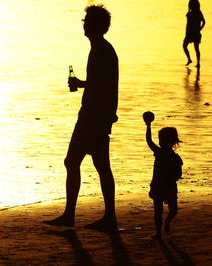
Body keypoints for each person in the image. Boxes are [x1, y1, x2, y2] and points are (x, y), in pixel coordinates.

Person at [43, 4, 119, 232]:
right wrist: (82, 83)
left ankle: (73, 215)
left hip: (92, 118)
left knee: (74, 162)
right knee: (100, 166)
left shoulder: (101, 51)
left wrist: (82, 86)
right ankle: (108, 217)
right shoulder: (100, 49)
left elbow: (103, 86)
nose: (84, 24)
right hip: (97, 116)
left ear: (96, 25)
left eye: (87, 21)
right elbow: (100, 83)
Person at [143, 112, 183, 239]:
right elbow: (149, 141)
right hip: (158, 186)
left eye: (162, 140)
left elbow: (179, 173)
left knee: (173, 210)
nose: (160, 142)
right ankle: (158, 233)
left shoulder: (176, 158)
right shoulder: (158, 152)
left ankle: (167, 221)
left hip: (170, 186)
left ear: (172, 142)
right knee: (158, 211)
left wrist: (173, 177)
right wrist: (148, 126)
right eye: (160, 139)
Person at [183, 0, 206, 67]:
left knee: (196, 48)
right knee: (184, 46)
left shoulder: (198, 13)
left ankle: (198, 63)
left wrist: (200, 29)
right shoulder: (190, 13)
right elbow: (188, 25)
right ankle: (189, 59)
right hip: (189, 33)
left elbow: (204, 22)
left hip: (195, 33)